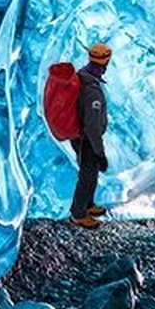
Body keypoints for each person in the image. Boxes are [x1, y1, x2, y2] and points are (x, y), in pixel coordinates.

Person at [44, 42, 112, 227]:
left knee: (90, 172)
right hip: (86, 138)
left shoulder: (83, 75)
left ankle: (88, 204)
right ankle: (78, 213)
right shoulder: (92, 91)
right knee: (88, 174)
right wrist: (100, 151)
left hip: (79, 135)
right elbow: (92, 126)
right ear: (105, 62)